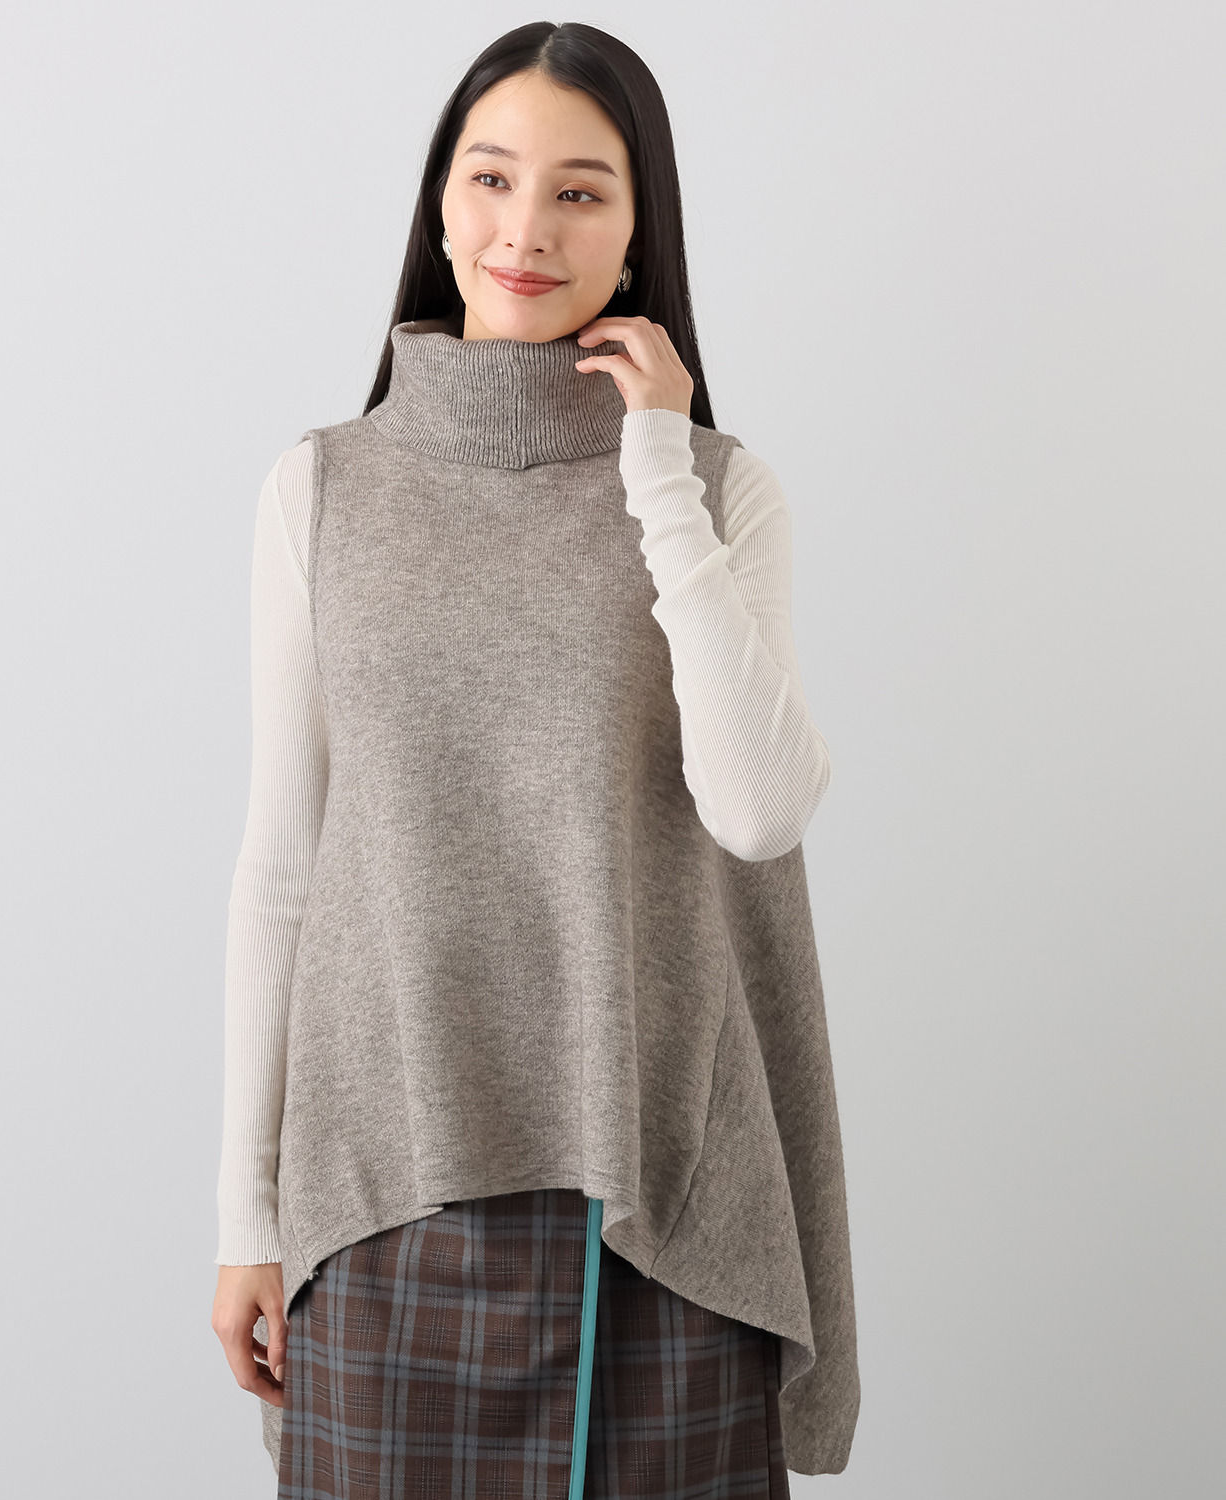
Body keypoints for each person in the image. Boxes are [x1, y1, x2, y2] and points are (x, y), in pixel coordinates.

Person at [211, 20, 859, 1497]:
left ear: (637, 233)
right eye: (491, 177)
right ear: (440, 203)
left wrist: (657, 465)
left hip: (662, 1204)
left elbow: (760, 814)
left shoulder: (720, 490)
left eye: (580, 192)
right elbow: (283, 866)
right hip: (384, 1189)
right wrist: (246, 1212)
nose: (525, 229)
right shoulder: (322, 489)